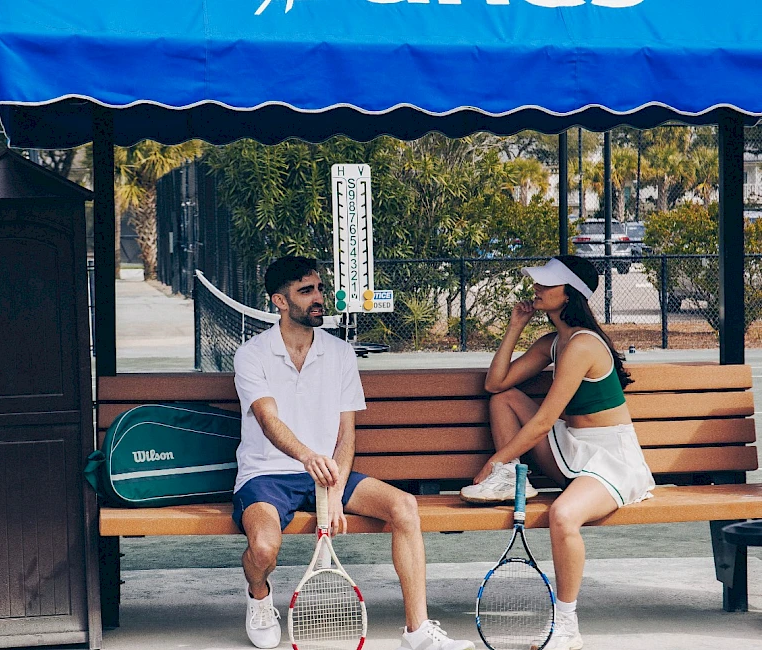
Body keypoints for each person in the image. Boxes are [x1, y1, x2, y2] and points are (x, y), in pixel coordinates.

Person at [233, 256, 474, 650]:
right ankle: (259, 596)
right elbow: (268, 420)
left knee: (405, 506)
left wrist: (334, 488)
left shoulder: (341, 353)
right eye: (306, 291)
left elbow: (347, 435)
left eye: (319, 289)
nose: (318, 298)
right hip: (266, 473)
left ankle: (418, 631)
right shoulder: (252, 354)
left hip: (330, 474)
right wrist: (308, 457)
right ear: (279, 301)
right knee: (263, 548)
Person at [460, 255, 655, 650]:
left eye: (549, 284)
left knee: (562, 516)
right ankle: (511, 479)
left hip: (609, 462)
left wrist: (492, 460)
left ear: (570, 295)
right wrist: (515, 326)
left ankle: (567, 625)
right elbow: (496, 384)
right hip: (571, 449)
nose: (538, 288)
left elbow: (543, 421)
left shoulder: (582, 345)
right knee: (505, 400)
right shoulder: (554, 342)